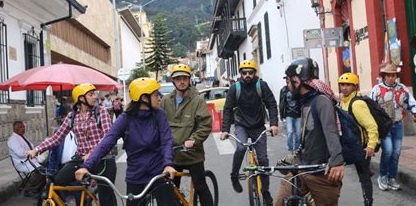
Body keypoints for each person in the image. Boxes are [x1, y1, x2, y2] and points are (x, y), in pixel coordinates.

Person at [76, 78, 177, 206]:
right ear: (144, 98)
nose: (159, 98)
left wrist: (168, 164)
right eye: (156, 95)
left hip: (159, 172)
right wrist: (86, 166)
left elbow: (166, 140)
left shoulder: (159, 114)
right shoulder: (125, 118)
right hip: (136, 175)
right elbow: (106, 142)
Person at [26, 83, 117, 206]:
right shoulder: (72, 116)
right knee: (56, 181)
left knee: (107, 200)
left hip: (103, 160)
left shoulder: (101, 112)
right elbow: (56, 139)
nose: (94, 97)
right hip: (81, 159)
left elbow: (107, 137)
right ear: (81, 98)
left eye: (94, 94)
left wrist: (91, 153)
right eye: (91, 95)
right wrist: (36, 150)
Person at [274, 58, 344, 206]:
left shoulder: (321, 102)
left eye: (288, 81)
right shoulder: (305, 102)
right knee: (280, 202)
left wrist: (337, 162)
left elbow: (331, 131)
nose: (287, 85)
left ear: (296, 81)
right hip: (301, 170)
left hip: (320, 175)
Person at [220, 60, 278, 206]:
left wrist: (274, 124)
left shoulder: (261, 86)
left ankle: (265, 191)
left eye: (250, 72)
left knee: (263, 160)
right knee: (240, 147)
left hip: (258, 126)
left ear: (255, 73)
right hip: (241, 126)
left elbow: (271, 104)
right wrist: (225, 130)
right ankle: (234, 175)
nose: (247, 75)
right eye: (244, 73)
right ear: (240, 74)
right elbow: (227, 109)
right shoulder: (235, 88)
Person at [160, 64, 214, 206]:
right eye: (178, 79)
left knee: (201, 187)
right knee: (170, 190)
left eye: (185, 78)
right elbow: (158, 124)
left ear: (189, 80)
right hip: (172, 154)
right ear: (173, 81)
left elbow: (205, 124)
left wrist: (193, 139)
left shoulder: (198, 100)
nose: (182, 81)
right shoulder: (165, 101)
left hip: (192, 153)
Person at [372, 63, 416, 191]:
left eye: (394, 75)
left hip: (398, 125)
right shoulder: (376, 89)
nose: (392, 78)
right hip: (384, 126)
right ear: (384, 76)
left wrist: (415, 112)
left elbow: (411, 101)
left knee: (396, 152)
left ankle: (392, 178)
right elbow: (371, 108)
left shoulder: (402, 88)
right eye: (389, 75)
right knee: (388, 150)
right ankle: (382, 176)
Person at [338, 73, 378, 206]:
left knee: (363, 177)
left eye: (348, 85)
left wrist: (371, 146)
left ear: (355, 87)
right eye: (342, 84)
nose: (344, 88)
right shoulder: (344, 101)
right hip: (351, 145)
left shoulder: (357, 104)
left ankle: (368, 202)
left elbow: (371, 126)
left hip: (362, 147)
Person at [7, 121, 46, 197]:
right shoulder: (12, 140)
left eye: (23, 127)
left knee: (46, 166)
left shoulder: (22, 137)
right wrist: (31, 152)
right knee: (41, 173)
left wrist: (36, 150)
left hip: (31, 160)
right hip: (23, 163)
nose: (23, 129)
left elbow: (31, 147)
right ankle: (30, 190)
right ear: (15, 129)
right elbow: (21, 154)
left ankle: (40, 188)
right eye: (20, 127)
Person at [279, 76, 301, 152]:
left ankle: (297, 148)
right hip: (289, 115)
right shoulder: (283, 90)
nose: (287, 81)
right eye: (286, 80)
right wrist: (281, 115)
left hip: (298, 115)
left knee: (298, 133)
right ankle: (290, 148)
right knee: (290, 132)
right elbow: (281, 103)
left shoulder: (298, 89)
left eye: (289, 80)